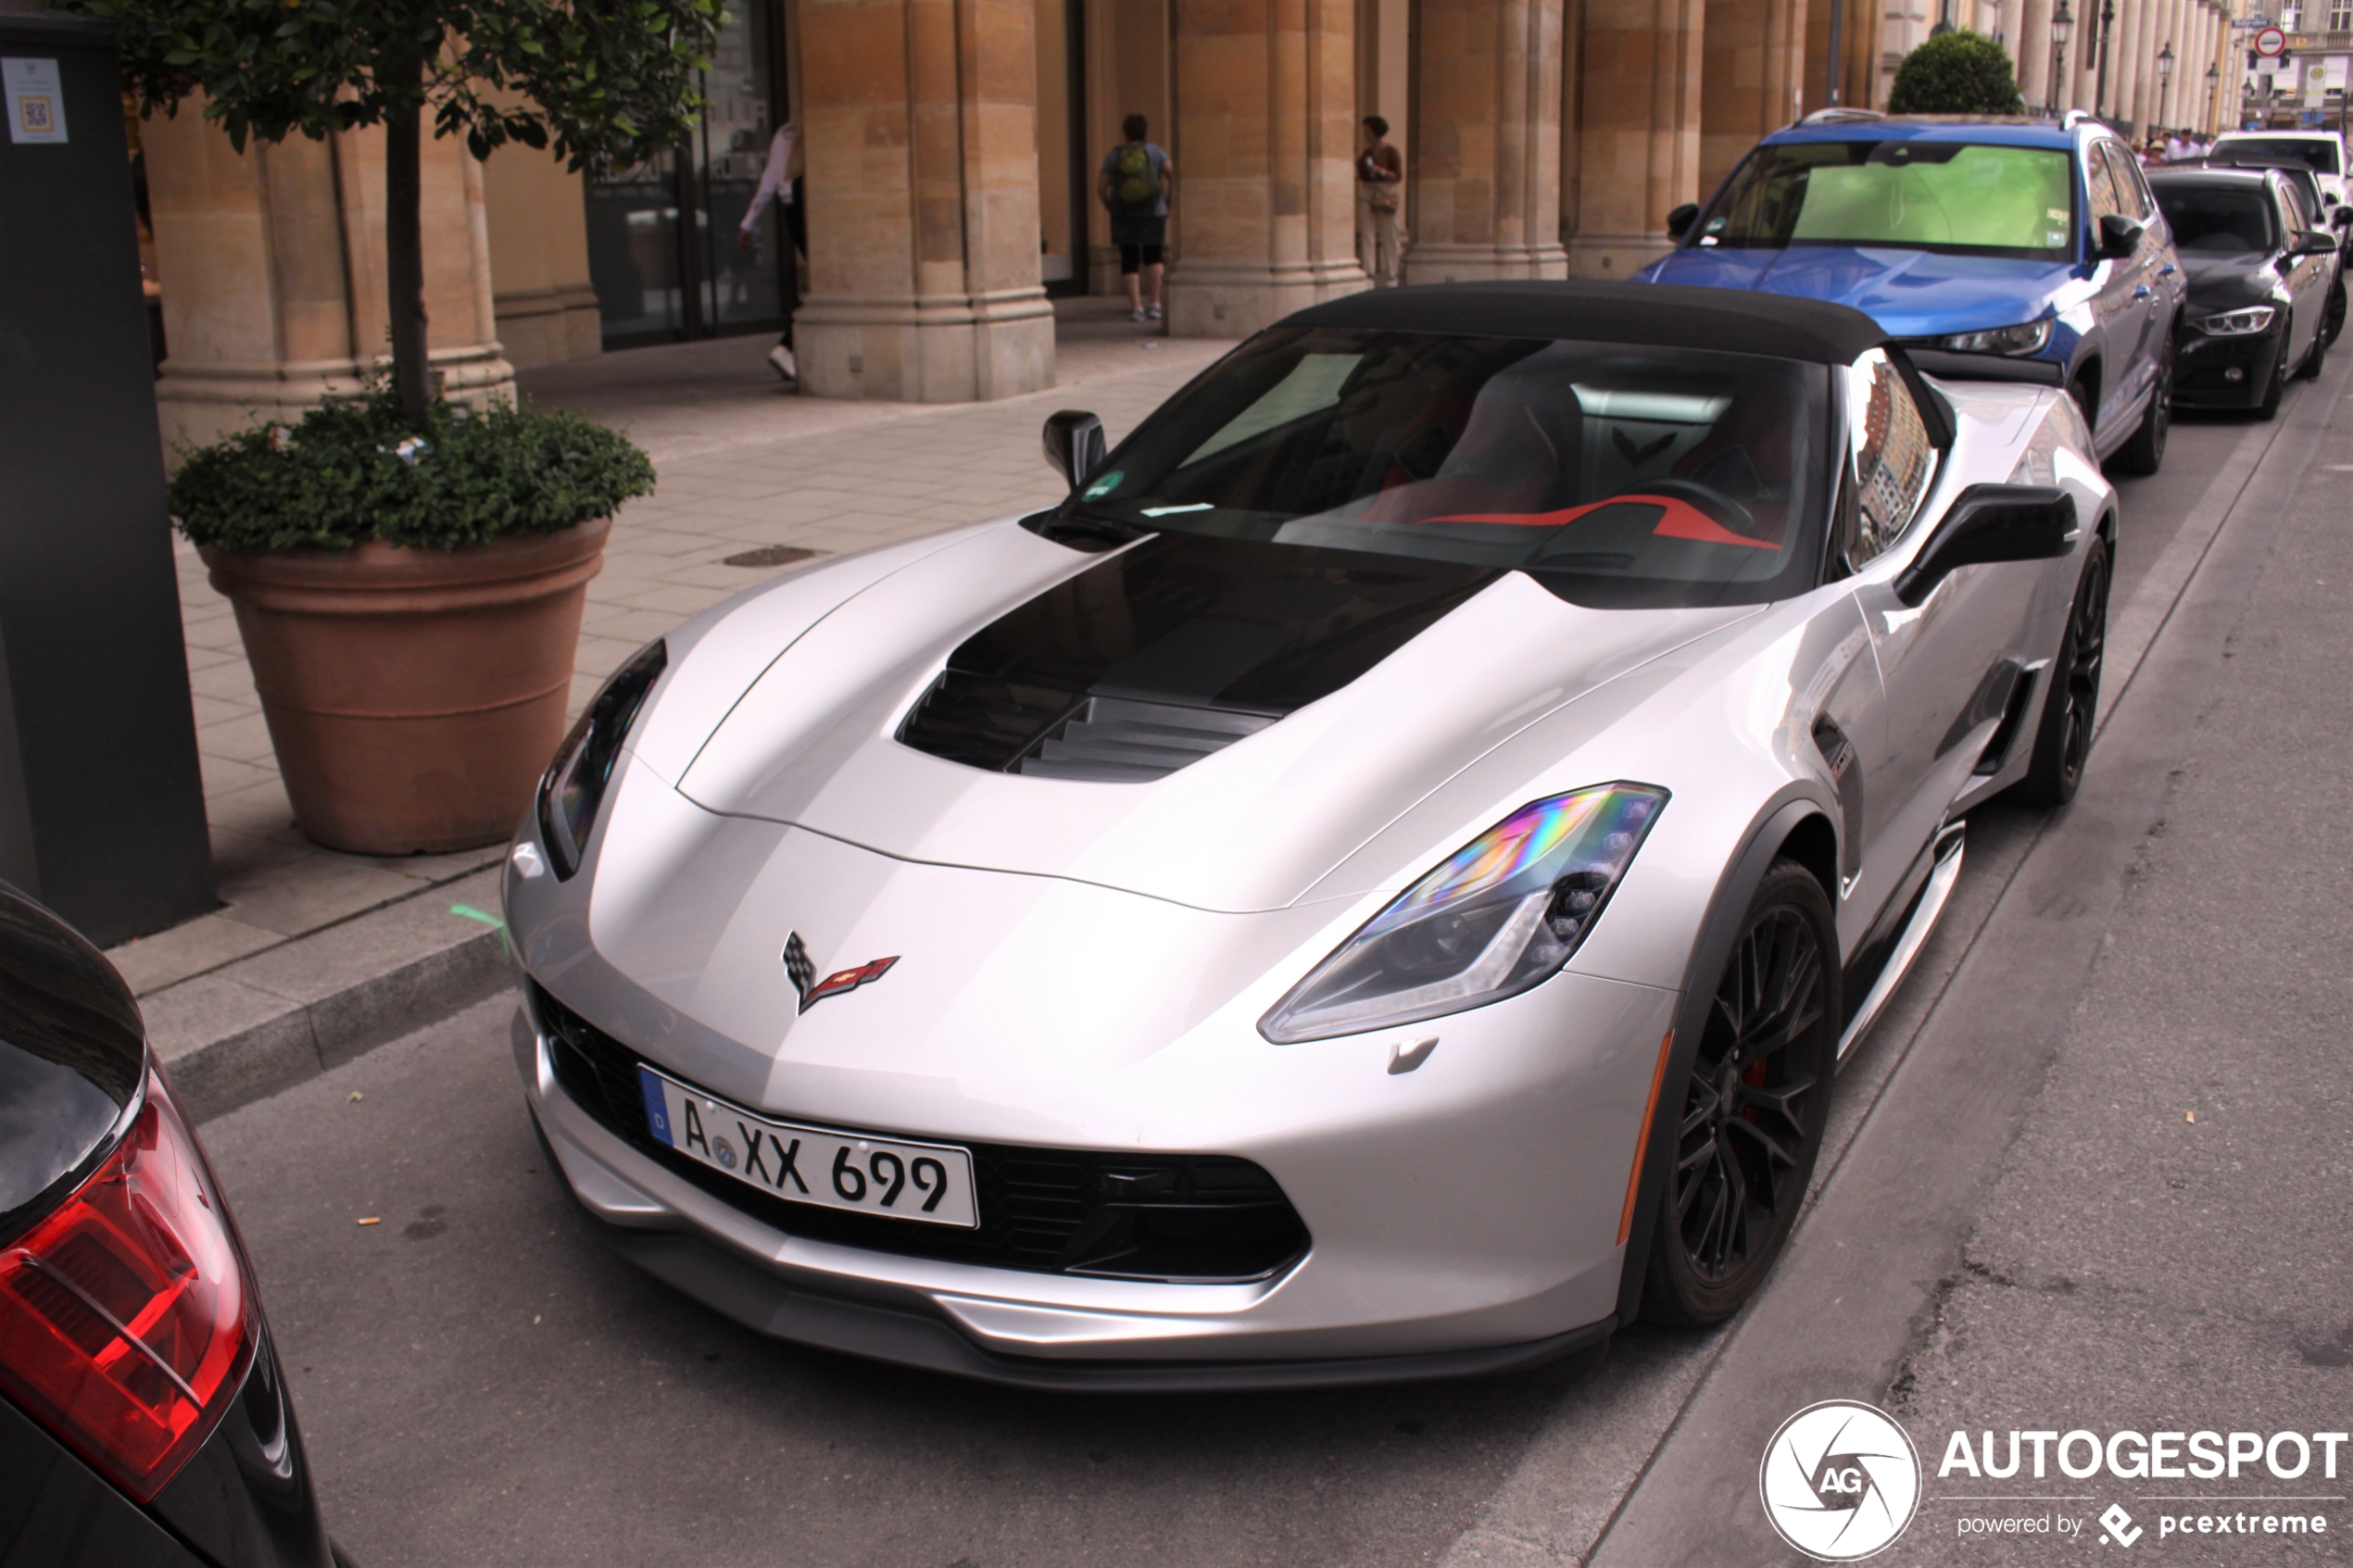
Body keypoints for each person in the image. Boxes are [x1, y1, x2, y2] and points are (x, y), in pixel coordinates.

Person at [737, 119, 805, 382]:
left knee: (822, 284)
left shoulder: (785, 131)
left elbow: (769, 182)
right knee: (829, 285)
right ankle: (787, 345)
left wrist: (748, 224)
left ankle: (788, 347)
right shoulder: (804, 132)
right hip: (805, 206)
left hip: (791, 210)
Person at [1099, 114, 1173, 321]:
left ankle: (1136, 308)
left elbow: (1101, 185)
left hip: (1123, 212)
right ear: (1145, 132)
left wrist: (1109, 205)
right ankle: (1155, 304)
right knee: (1154, 256)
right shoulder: (1155, 151)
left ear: (1125, 132)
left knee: (1129, 258)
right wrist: (1168, 201)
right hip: (1154, 210)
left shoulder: (1115, 154)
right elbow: (1173, 174)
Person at [1357, 115, 1404, 287]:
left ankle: (1393, 271)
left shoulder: (1391, 151)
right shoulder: (1367, 153)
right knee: (1367, 234)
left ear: (1375, 131)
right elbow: (1360, 174)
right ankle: (1369, 271)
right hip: (1368, 192)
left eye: (1367, 130)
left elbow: (1398, 176)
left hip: (1385, 193)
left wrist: (1379, 170)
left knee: (1389, 233)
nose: (1365, 134)